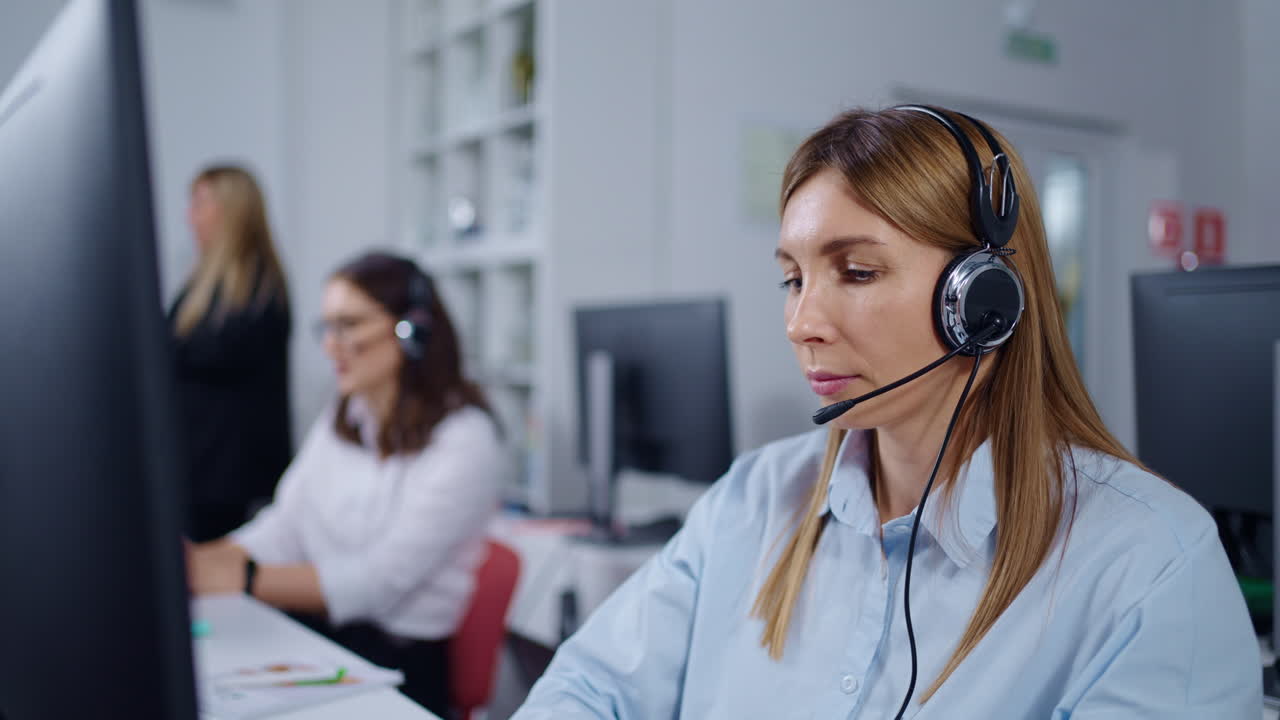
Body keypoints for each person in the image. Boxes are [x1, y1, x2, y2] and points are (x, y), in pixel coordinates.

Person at [511, 107, 1261, 718]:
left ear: (982, 303)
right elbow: (587, 689)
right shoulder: (754, 498)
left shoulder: (1148, 563)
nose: (802, 322)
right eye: (792, 279)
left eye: (857, 272)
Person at [185, 251, 505, 715]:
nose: (331, 346)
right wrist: (201, 560)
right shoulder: (345, 417)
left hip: (402, 667)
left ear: (411, 330)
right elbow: (285, 526)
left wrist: (238, 577)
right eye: (327, 327)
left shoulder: (465, 440)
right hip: (326, 644)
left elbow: (377, 583)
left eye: (349, 325)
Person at [170, 164, 292, 542]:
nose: (190, 216)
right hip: (196, 468)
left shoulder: (258, 290)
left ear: (232, 211)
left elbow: (204, 355)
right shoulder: (201, 285)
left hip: (227, 479)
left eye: (201, 203)